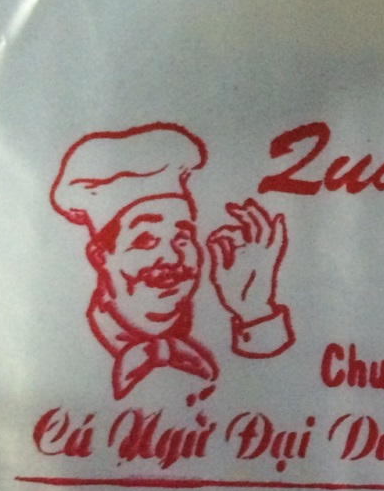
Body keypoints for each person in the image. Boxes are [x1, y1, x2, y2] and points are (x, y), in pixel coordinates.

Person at [50, 122, 294, 399]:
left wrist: (254, 312)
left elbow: (277, 399)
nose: (172, 257)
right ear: (100, 256)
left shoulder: (217, 329)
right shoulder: (59, 350)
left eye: (182, 237)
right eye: (145, 240)